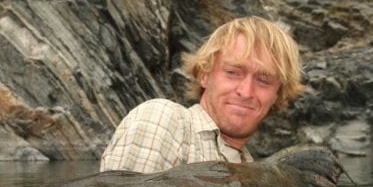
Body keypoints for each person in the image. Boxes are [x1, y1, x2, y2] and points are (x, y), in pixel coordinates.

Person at [100, 16, 304, 173]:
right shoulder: (164, 120)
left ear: (277, 94)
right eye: (232, 73)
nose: (245, 91)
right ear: (204, 75)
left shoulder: (252, 170)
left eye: (263, 80)